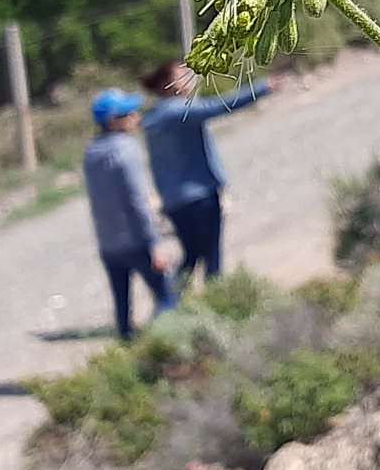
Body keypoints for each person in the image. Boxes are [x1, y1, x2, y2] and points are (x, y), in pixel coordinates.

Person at [139, 59, 281, 287]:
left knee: (192, 255)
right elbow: (218, 105)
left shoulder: (153, 118)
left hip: (174, 201)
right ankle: (212, 300)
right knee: (211, 255)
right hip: (200, 194)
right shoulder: (177, 112)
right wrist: (261, 88)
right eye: (182, 74)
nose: (189, 77)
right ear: (168, 84)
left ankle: (174, 301)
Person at [82, 87, 178, 339]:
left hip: (108, 243)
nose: (136, 116)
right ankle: (156, 345)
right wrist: (155, 244)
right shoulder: (126, 149)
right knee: (167, 297)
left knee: (122, 307)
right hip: (136, 241)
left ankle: (125, 344)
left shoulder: (91, 152)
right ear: (113, 121)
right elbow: (137, 201)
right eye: (128, 113)